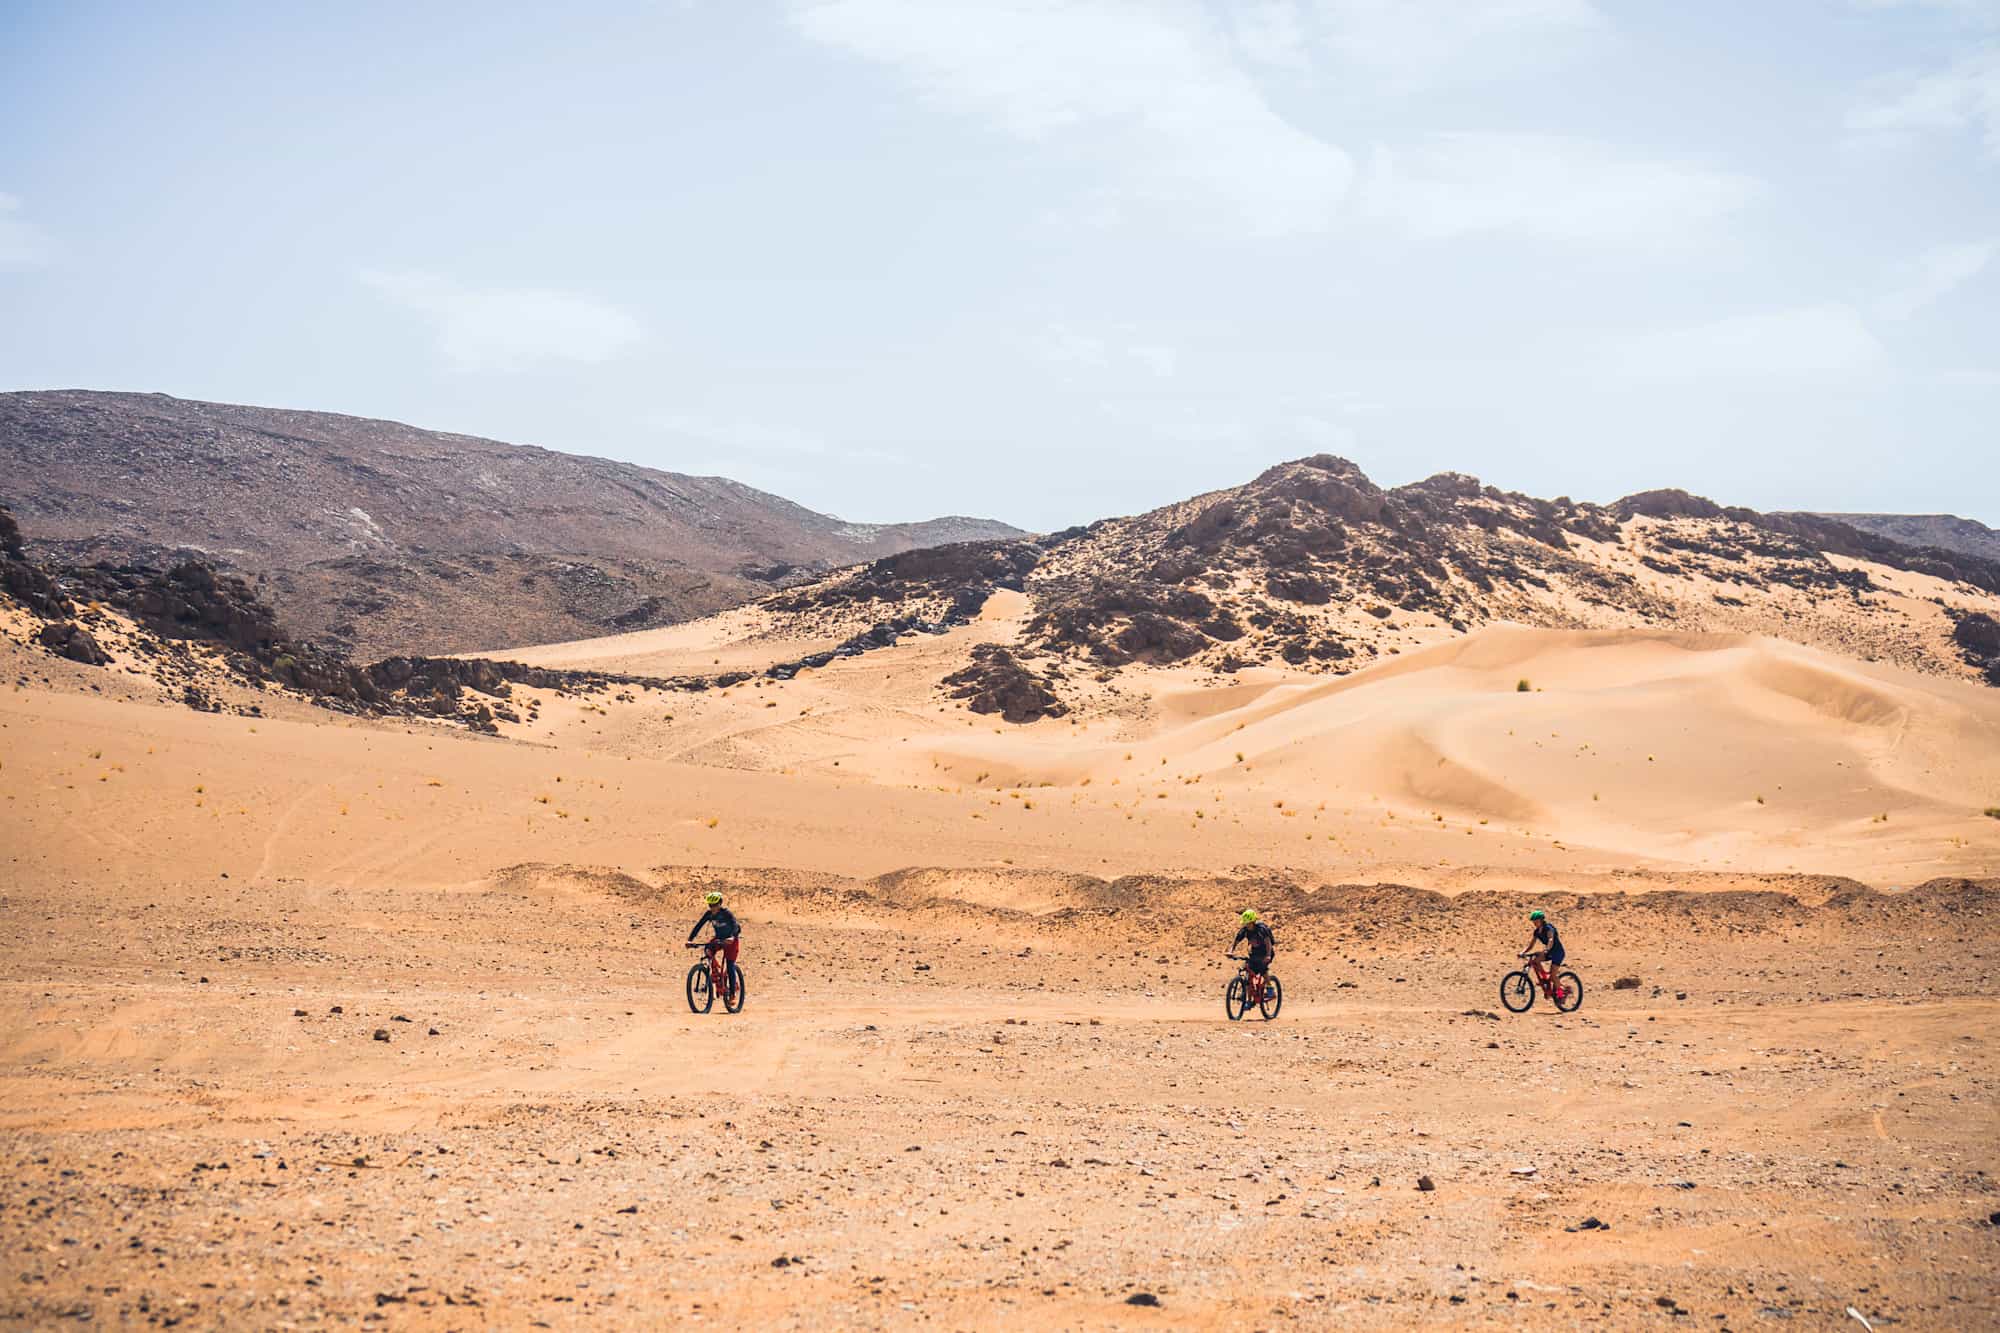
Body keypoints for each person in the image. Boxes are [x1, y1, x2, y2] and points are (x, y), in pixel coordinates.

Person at [687, 891, 741, 993]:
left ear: (720, 903)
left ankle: (732, 993)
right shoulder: (709, 914)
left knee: (730, 965)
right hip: (719, 939)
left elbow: (735, 926)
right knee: (708, 949)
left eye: (715, 905)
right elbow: (698, 926)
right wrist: (690, 940)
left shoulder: (726, 913)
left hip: (731, 941)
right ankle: (716, 973)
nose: (713, 908)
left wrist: (732, 937)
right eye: (710, 905)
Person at [1522, 908, 1565, 996]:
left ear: (1541, 920)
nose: (1534, 923)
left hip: (1558, 952)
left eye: (1536, 921)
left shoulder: (1548, 928)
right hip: (1549, 952)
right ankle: (1545, 980)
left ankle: (1561, 993)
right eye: (1533, 921)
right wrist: (1522, 952)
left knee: (1553, 975)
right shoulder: (1537, 932)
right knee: (1535, 960)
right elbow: (1531, 945)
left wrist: (1546, 949)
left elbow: (1550, 939)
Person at [1231, 909, 1275, 995]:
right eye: (1245, 923)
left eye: (1248, 923)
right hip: (1254, 954)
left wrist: (1268, 955)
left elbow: (1268, 943)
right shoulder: (1245, 930)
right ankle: (1249, 999)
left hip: (1266, 953)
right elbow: (1236, 940)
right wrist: (1231, 951)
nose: (1247, 925)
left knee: (1262, 969)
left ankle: (1270, 989)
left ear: (1253, 922)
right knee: (1247, 972)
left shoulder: (1261, 930)